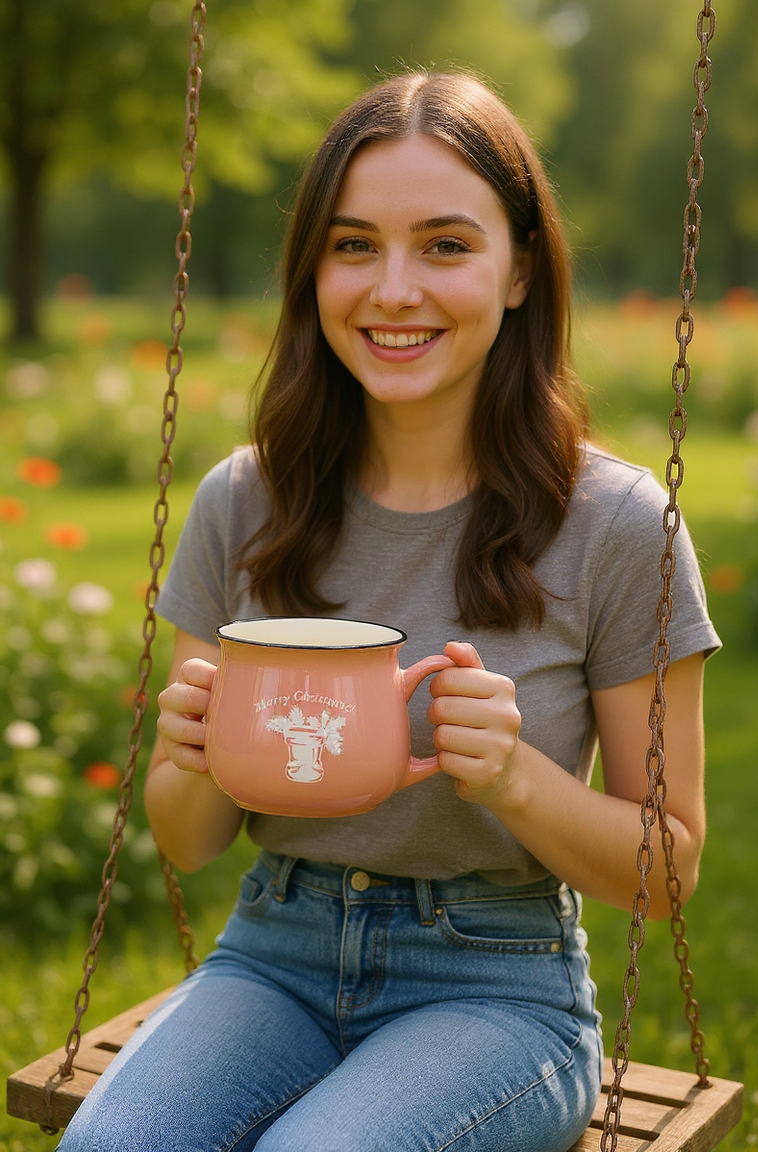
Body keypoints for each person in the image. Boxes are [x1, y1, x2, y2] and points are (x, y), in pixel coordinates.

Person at [58, 71, 719, 1152]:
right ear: (313, 267)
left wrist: (516, 780)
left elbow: (665, 872)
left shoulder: (613, 524)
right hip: (272, 951)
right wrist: (186, 759)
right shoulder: (247, 499)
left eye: (445, 246)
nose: (391, 289)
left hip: (497, 986)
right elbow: (188, 844)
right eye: (354, 244)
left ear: (517, 274)